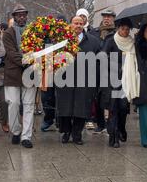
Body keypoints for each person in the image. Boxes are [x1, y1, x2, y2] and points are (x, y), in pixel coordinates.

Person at [56, 15, 100, 145]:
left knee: (81, 108)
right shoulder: (61, 40)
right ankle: (66, 132)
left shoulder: (93, 41)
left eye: (81, 23)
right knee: (66, 107)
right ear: (70, 25)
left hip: (84, 79)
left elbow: (98, 60)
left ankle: (77, 134)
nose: (78, 26)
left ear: (84, 25)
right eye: (75, 23)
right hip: (65, 78)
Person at [3, 4, 36, 149]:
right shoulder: (8, 33)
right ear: (14, 17)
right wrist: (27, 60)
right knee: (13, 103)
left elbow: (38, 49)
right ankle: (16, 131)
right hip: (13, 73)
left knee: (29, 105)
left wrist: (35, 60)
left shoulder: (34, 31)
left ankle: (26, 136)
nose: (22, 17)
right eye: (19, 15)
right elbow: (11, 53)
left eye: (24, 14)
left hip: (30, 73)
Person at [102, 18, 132, 148]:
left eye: (127, 29)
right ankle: (113, 137)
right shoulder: (111, 41)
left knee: (124, 108)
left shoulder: (132, 42)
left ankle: (121, 129)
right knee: (113, 108)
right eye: (122, 29)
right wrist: (116, 65)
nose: (124, 31)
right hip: (113, 80)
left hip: (127, 80)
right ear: (118, 29)